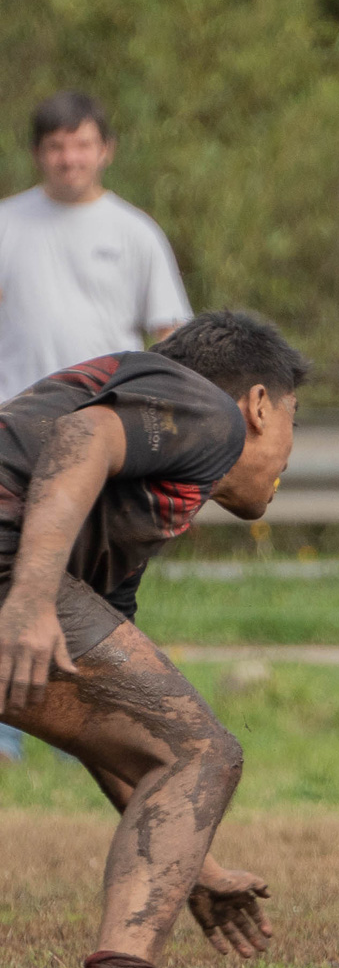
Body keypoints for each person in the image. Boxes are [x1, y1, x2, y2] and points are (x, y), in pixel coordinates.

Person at [0, 311, 303, 968]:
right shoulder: (208, 409)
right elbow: (83, 440)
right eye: (296, 423)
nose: (288, 459)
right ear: (260, 404)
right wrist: (32, 597)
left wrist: (180, 859)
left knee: (181, 749)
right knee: (206, 749)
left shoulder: (130, 509)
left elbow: (115, 732)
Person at [0, 91, 194, 764]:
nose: (69, 158)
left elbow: (171, 337)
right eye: (55, 145)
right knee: (13, 571)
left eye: (81, 143)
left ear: (104, 149)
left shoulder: (133, 232)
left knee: (95, 580)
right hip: (17, 441)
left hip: (104, 444)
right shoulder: (8, 225)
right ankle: (9, 725)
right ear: (37, 153)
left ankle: (91, 716)